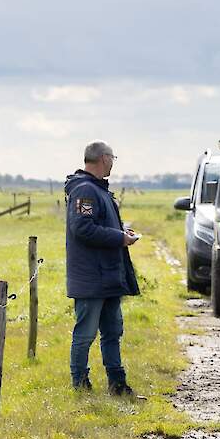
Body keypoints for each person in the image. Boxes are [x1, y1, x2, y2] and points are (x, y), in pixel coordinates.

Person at [65, 141, 140, 395]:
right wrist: (120, 238)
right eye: (112, 157)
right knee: (85, 334)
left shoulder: (99, 190)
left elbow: (97, 226)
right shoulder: (85, 191)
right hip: (91, 277)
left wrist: (121, 232)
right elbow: (83, 228)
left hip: (107, 275)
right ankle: (80, 385)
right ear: (103, 158)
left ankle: (118, 384)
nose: (113, 162)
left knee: (112, 332)